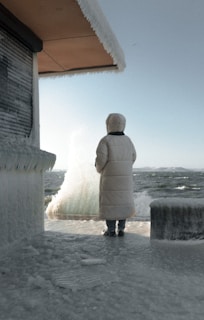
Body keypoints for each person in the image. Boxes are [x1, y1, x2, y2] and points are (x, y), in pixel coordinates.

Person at [95, 113, 137, 237]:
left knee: (110, 203)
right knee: (123, 202)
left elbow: (100, 160)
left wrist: (98, 169)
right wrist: (125, 167)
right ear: (123, 125)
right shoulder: (128, 140)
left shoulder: (105, 140)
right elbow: (133, 157)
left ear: (108, 125)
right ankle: (122, 229)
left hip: (109, 178)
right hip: (125, 178)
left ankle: (111, 230)